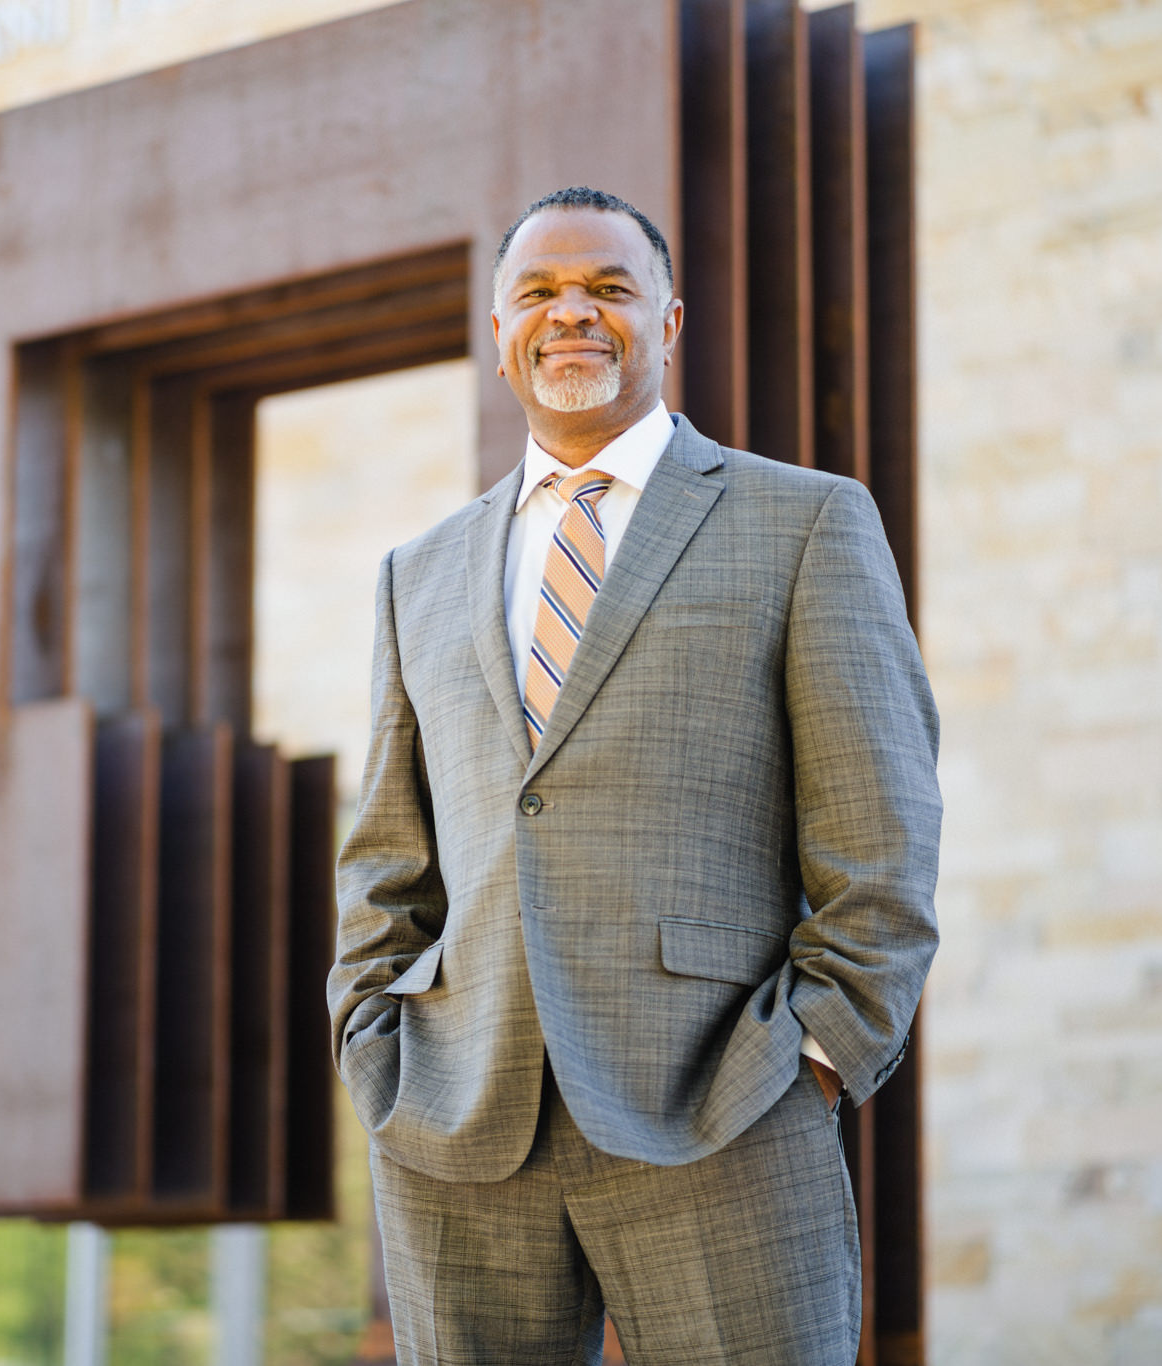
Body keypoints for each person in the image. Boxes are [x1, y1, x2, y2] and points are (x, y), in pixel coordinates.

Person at [327, 186, 943, 1365]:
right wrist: (372, 1039)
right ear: (498, 330)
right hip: (455, 1118)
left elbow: (882, 827)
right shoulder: (419, 571)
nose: (573, 314)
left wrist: (812, 1057)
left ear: (665, 324)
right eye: (539, 293)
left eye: (608, 289)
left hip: (721, 1105)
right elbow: (385, 855)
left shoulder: (803, 521)